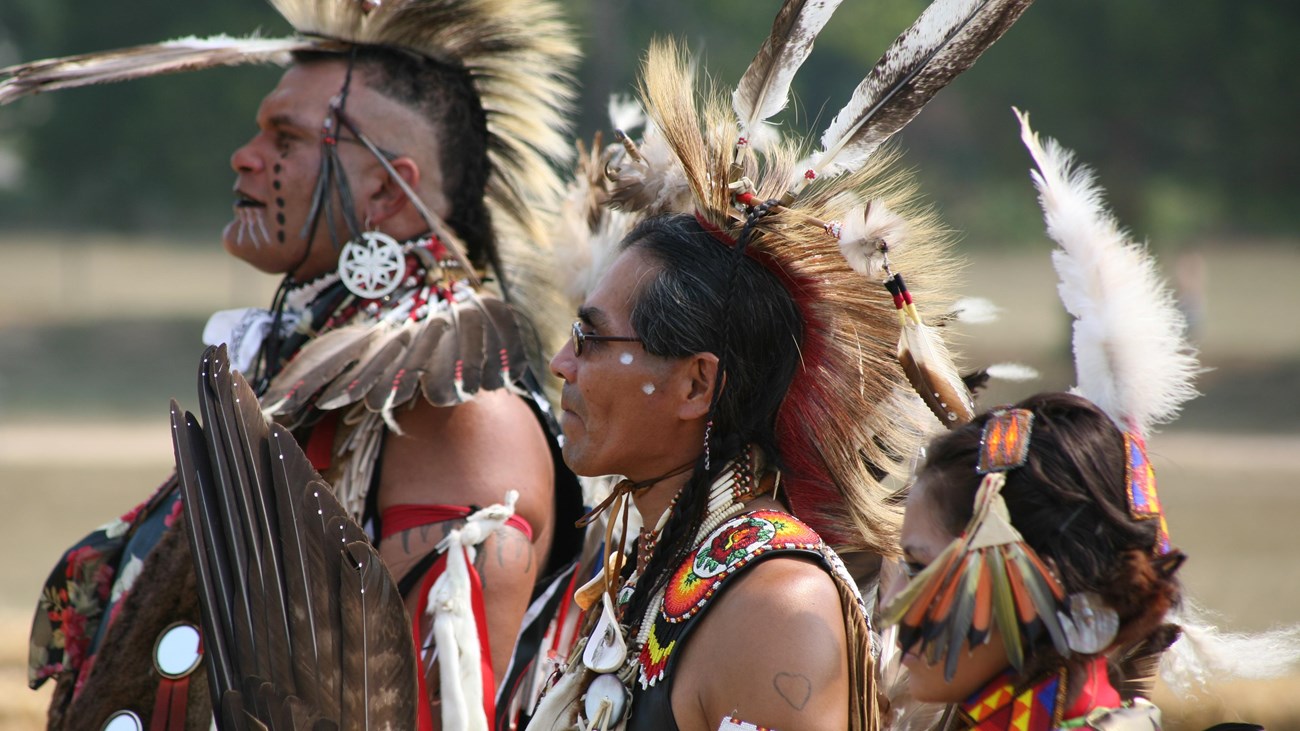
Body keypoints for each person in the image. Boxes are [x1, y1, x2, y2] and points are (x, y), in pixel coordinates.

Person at [7, 0, 582, 727]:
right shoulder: (324, 372)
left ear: (384, 187)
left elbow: (434, 707)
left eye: (286, 137)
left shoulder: (453, 410)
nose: (244, 155)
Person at [525, 0, 1034, 726]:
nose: (560, 363)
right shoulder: (648, 566)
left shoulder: (776, 604)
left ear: (696, 383)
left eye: (590, 338)